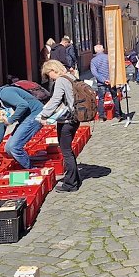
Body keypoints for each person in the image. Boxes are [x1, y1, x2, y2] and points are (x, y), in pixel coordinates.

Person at [38, 60, 81, 193]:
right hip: (76, 117)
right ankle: (75, 179)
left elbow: (56, 99)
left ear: (53, 70)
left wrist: (43, 115)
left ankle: (70, 184)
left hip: (67, 120)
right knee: (68, 150)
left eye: (48, 74)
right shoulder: (71, 76)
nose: (49, 77)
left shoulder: (61, 81)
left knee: (66, 151)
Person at [0, 84, 44, 169]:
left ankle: (32, 170)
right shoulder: (1, 109)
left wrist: (11, 120)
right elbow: (0, 131)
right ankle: (25, 164)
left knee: (14, 147)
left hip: (35, 114)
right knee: (8, 148)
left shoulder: (4, 93)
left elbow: (23, 105)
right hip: (26, 119)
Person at [90, 44, 125, 122]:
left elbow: (94, 72)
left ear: (95, 51)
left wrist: (103, 80)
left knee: (101, 99)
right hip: (111, 81)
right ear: (103, 49)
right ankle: (118, 114)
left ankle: (101, 116)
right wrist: (110, 79)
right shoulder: (109, 57)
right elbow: (113, 68)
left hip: (101, 82)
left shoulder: (93, 60)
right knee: (115, 97)